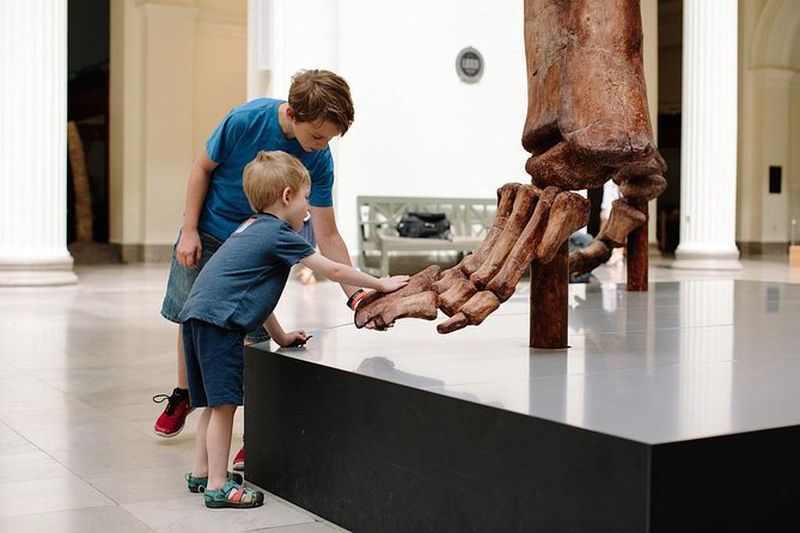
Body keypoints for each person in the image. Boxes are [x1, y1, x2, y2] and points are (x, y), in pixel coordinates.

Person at [154, 70, 368, 470]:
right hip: (212, 231)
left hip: (261, 246)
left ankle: (254, 433)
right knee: (192, 315)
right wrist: (188, 230)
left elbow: (328, 234)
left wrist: (356, 296)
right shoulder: (245, 120)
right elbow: (201, 168)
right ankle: (185, 392)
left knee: (249, 332)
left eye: (329, 139)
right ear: (292, 113)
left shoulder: (320, 158)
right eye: (317, 136)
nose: (322, 147)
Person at [179, 151, 408, 508]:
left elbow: (251, 295)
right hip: (219, 324)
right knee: (224, 405)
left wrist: (281, 337)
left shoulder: (248, 227)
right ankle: (219, 485)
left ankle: (201, 471)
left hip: (196, 317)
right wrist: (380, 283)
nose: (307, 208)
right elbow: (331, 270)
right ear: (286, 197)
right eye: (305, 197)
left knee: (210, 403)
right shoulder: (279, 234)